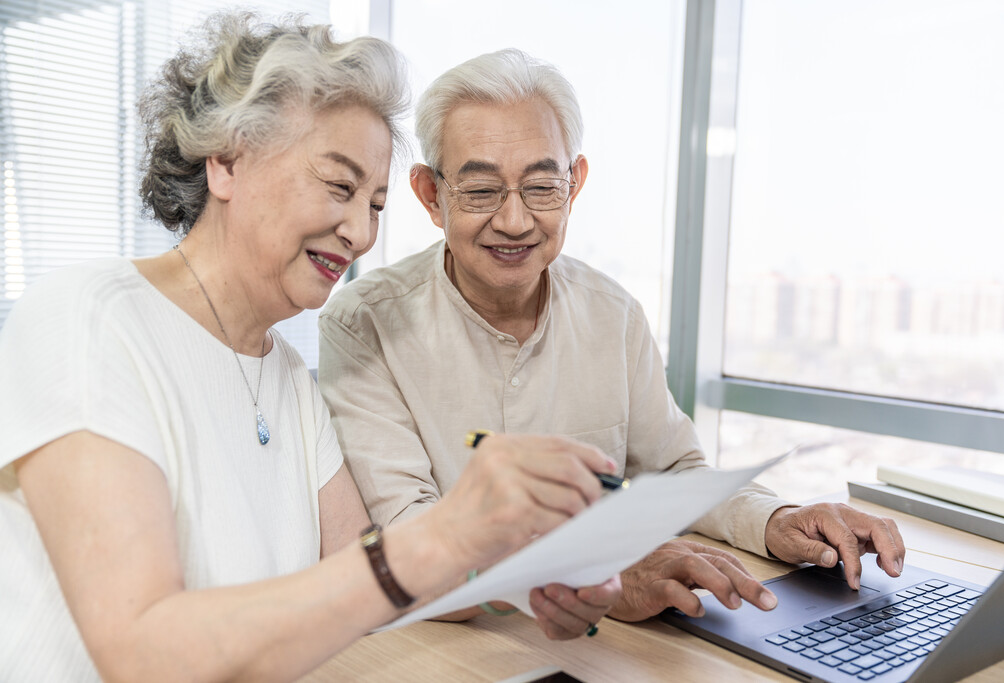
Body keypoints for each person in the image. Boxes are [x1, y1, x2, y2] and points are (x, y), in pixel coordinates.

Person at [0, 19, 622, 681]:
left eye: (376, 202)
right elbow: (142, 650)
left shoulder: (287, 375)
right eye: (338, 186)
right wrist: (447, 534)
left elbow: (372, 571)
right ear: (227, 160)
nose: (359, 232)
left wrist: (531, 574)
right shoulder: (90, 319)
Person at [317, 48, 906, 625]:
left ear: (574, 185)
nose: (516, 221)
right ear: (430, 196)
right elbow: (405, 538)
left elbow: (672, 473)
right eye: (480, 191)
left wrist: (777, 520)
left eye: (541, 186)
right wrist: (604, 575)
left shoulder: (613, 314)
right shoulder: (364, 325)